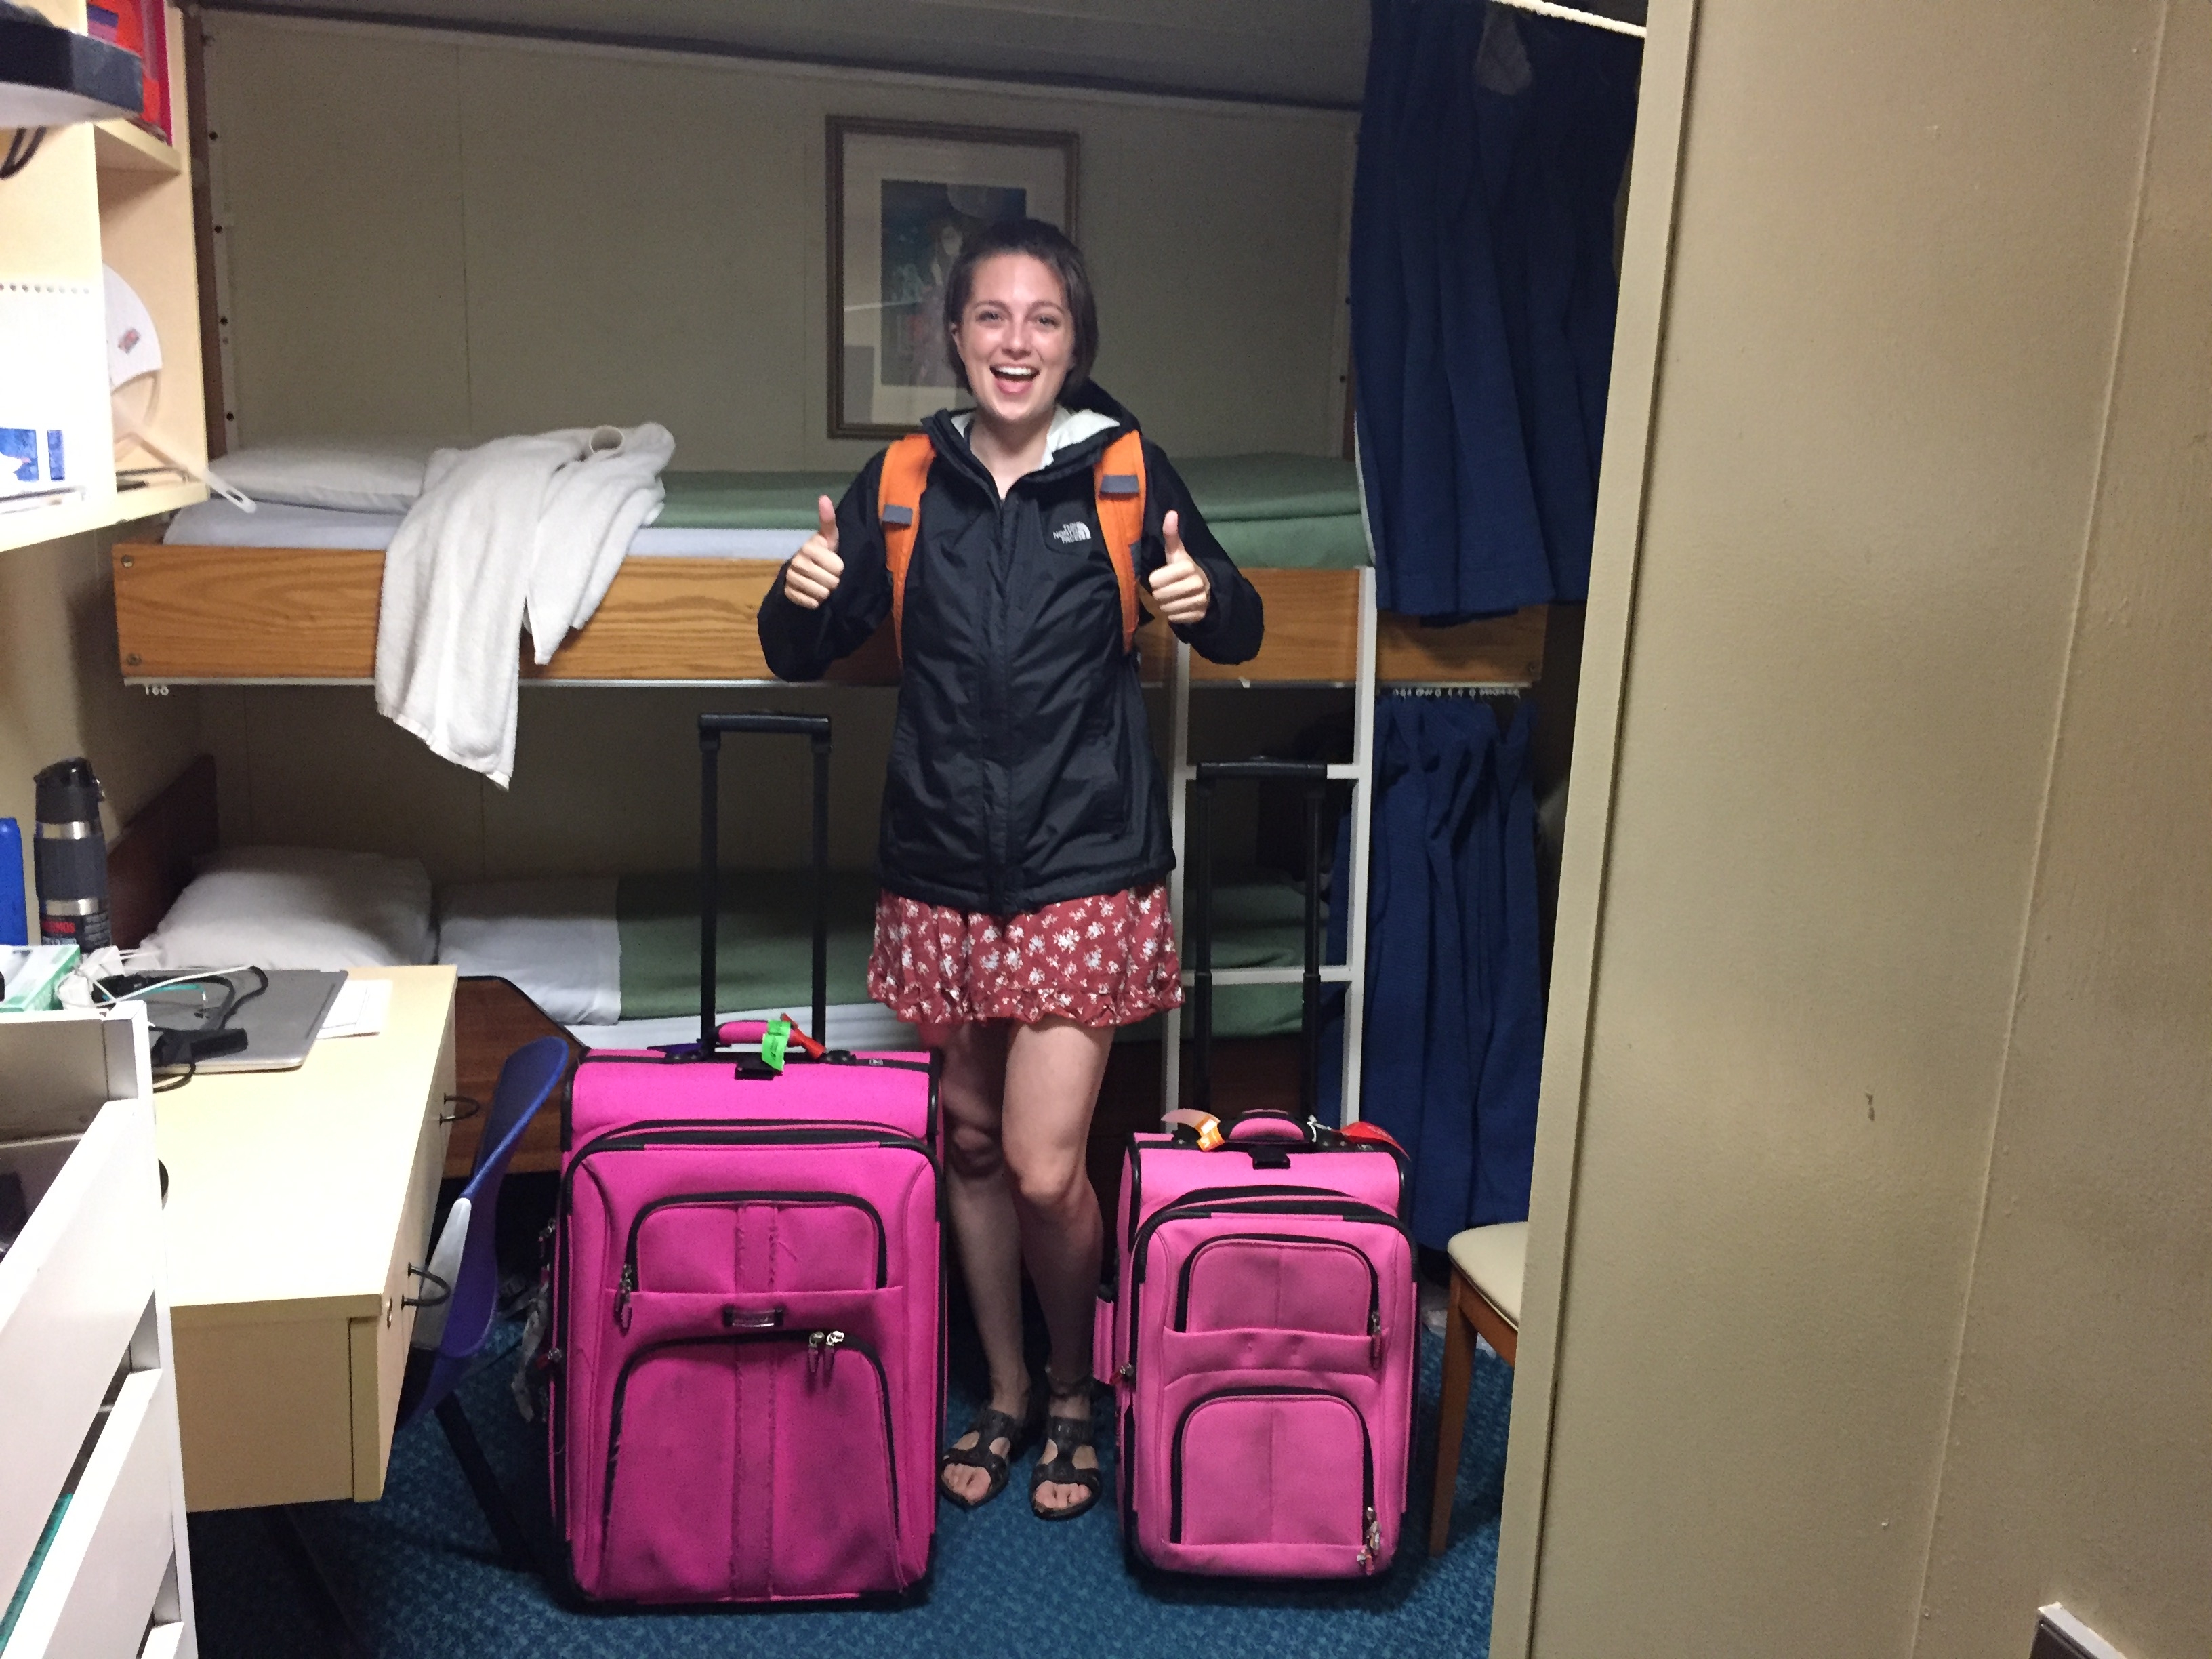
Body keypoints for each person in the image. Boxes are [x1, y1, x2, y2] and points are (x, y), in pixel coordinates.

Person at [757, 218, 1263, 1519]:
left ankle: (1080, 1387)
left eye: (1042, 319)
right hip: (938, 860)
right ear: (958, 336)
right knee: (970, 1144)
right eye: (993, 317)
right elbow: (798, 651)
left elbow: (1240, 617)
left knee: (1046, 1162)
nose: (1017, 342)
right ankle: (1004, 1390)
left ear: (1075, 339)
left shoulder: (1125, 473)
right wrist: (803, 588)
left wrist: (1209, 601)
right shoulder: (907, 479)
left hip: (1082, 860)